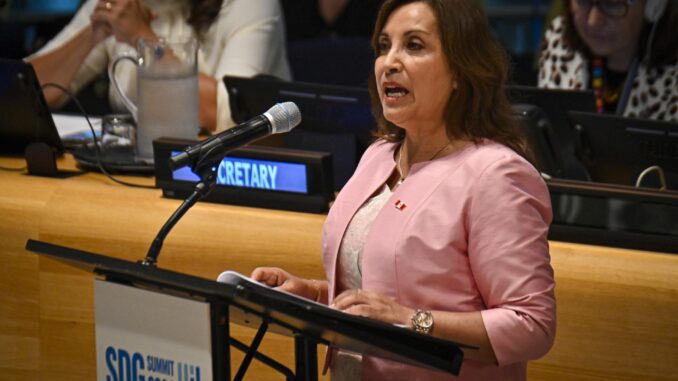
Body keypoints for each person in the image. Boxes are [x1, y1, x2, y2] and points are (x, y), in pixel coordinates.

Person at [251, 0, 556, 379]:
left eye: (413, 45)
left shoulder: (496, 175)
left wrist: (414, 321)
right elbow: (379, 292)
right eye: (383, 46)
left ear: (462, 68)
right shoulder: (379, 155)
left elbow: (532, 325)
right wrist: (311, 293)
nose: (389, 62)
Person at [27, 0, 291, 132]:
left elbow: (230, 116)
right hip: (139, 171)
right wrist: (92, 35)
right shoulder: (123, 6)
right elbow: (25, 90)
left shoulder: (251, 5)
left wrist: (143, 38)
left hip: (230, 174)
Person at [538, 0, 678, 122]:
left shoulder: (673, 79)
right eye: (583, 1)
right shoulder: (560, 39)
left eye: (612, 3)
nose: (594, 21)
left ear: (654, 5)